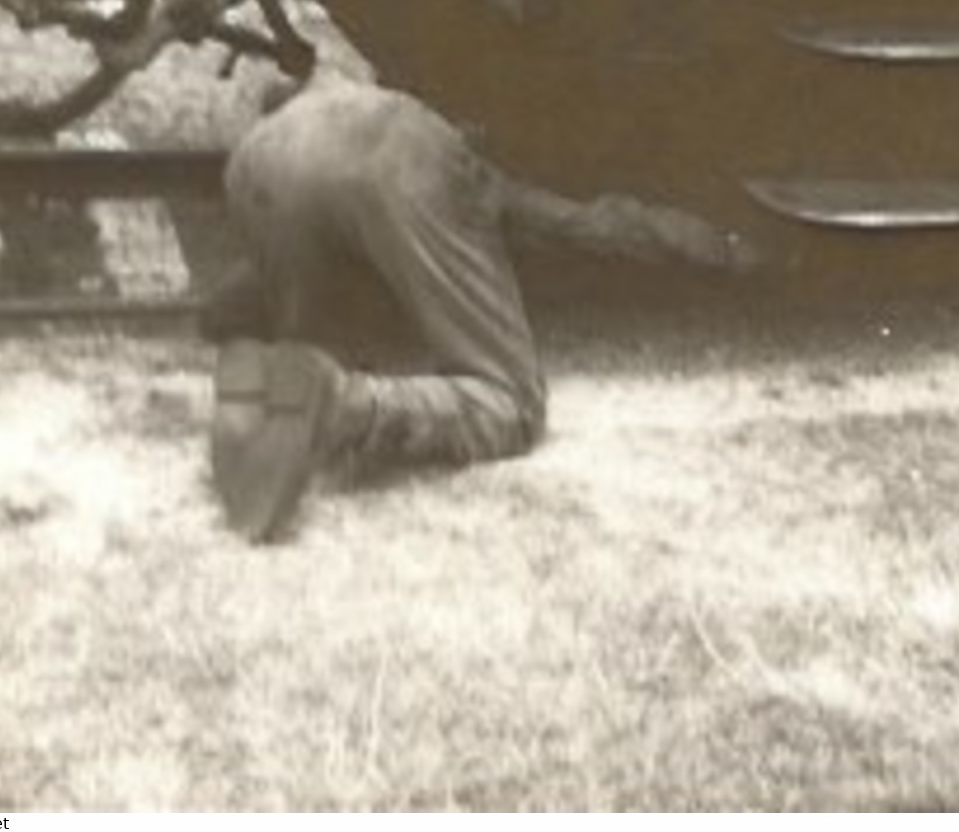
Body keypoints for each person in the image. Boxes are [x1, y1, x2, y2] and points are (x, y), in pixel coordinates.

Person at [204, 47, 761, 543]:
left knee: (328, 343)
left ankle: (271, 387)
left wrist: (228, 319)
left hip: (258, 158)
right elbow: (584, 224)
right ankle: (341, 403)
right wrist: (723, 248)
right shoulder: (439, 152)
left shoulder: (301, 119)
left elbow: (240, 291)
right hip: (390, 153)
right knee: (511, 404)